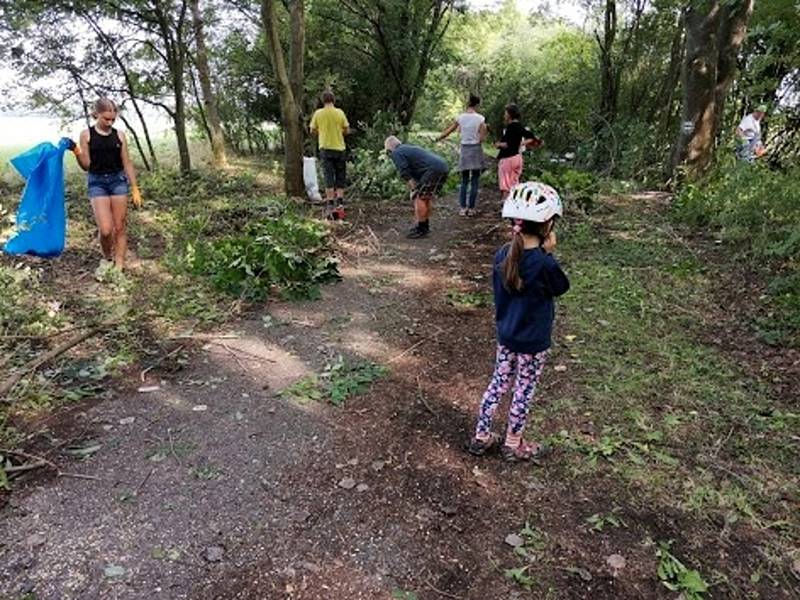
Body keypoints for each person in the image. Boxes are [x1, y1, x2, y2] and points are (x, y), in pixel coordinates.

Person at [467, 181, 569, 462]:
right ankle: (513, 444)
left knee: (498, 383)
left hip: (507, 335)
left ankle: (482, 435)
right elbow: (561, 287)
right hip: (533, 342)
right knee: (523, 389)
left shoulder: (503, 254)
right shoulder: (544, 263)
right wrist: (549, 253)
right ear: (548, 224)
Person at [68, 97, 141, 275]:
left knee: (120, 226)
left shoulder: (120, 135)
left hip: (118, 181)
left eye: (112, 119)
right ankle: (107, 257)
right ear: (96, 115)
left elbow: (127, 163)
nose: (109, 122)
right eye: (105, 119)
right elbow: (86, 165)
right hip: (97, 182)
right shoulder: (87, 135)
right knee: (106, 229)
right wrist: (76, 151)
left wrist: (135, 188)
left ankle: (119, 265)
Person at [384, 136, 449, 239]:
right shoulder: (407, 148)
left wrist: (414, 189)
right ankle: (424, 226)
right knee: (426, 197)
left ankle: (421, 228)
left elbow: (405, 172)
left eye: (388, 152)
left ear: (389, 149)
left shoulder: (397, 152)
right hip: (442, 167)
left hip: (432, 170)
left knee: (419, 197)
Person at [436, 94, 488, 216]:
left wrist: (439, 138)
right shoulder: (480, 118)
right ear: (477, 105)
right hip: (475, 149)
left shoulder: (460, 118)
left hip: (464, 149)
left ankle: (462, 208)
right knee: (475, 180)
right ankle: (471, 209)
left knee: (464, 180)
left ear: (468, 104)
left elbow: (449, 130)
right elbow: (481, 138)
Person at [309, 90, 350, 220]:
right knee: (340, 175)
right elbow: (347, 129)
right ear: (334, 100)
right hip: (340, 148)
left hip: (325, 148)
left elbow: (312, 129)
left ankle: (330, 204)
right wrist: (339, 132)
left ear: (322, 101)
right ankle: (340, 203)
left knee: (328, 176)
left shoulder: (318, 113)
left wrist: (322, 132)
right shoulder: (340, 113)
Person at [495, 104, 542, 200]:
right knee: (514, 185)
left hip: (508, 159)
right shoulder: (520, 126)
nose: (504, 116)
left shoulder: (510, 127)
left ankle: (506, 208)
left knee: (505, 186)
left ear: (509, 115)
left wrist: (498, 144)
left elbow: (508, 144)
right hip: (518, 158)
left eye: (505, 113)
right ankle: (515, 207)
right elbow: (531, 137)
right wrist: (520, 144)